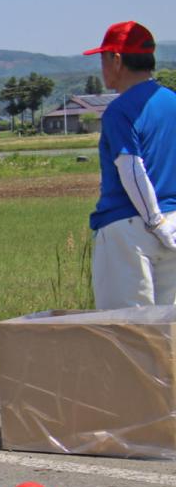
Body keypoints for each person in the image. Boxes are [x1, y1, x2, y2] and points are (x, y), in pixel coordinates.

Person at [84, 21, 176, 308]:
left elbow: (131, 169)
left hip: (129, 229)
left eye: (103, 59)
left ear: (117, 59)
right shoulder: (172, 102)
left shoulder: (119, 111)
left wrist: (154, 221)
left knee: (125, 328)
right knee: (169, 327)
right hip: (173, 223)